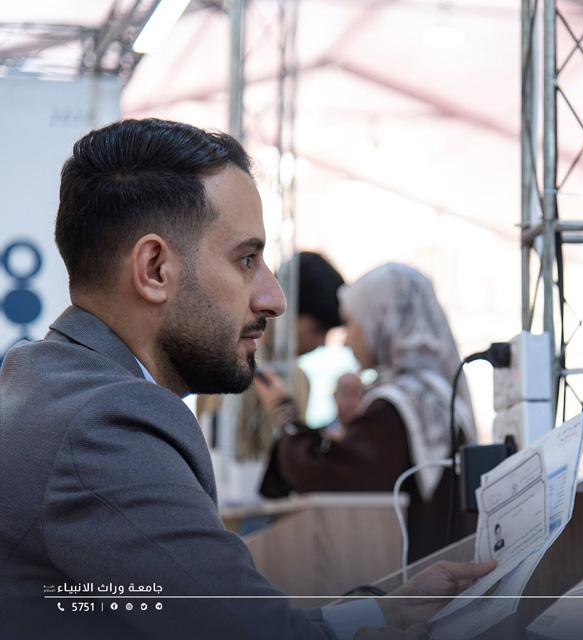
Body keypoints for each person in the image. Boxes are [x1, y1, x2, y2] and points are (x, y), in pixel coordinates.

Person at [0, 118, 494, 640]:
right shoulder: (104, 426)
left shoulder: (51, 383)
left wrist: (382, 613)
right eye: (246, 259)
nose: (274, 299)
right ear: (154, 269)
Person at [254, 263, 478, 562]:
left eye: (351, 324)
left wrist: (284, 411)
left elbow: (328, 477)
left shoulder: (399, 407)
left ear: (382, 321)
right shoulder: (434, 394)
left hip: (421, 576)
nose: (346, 341)